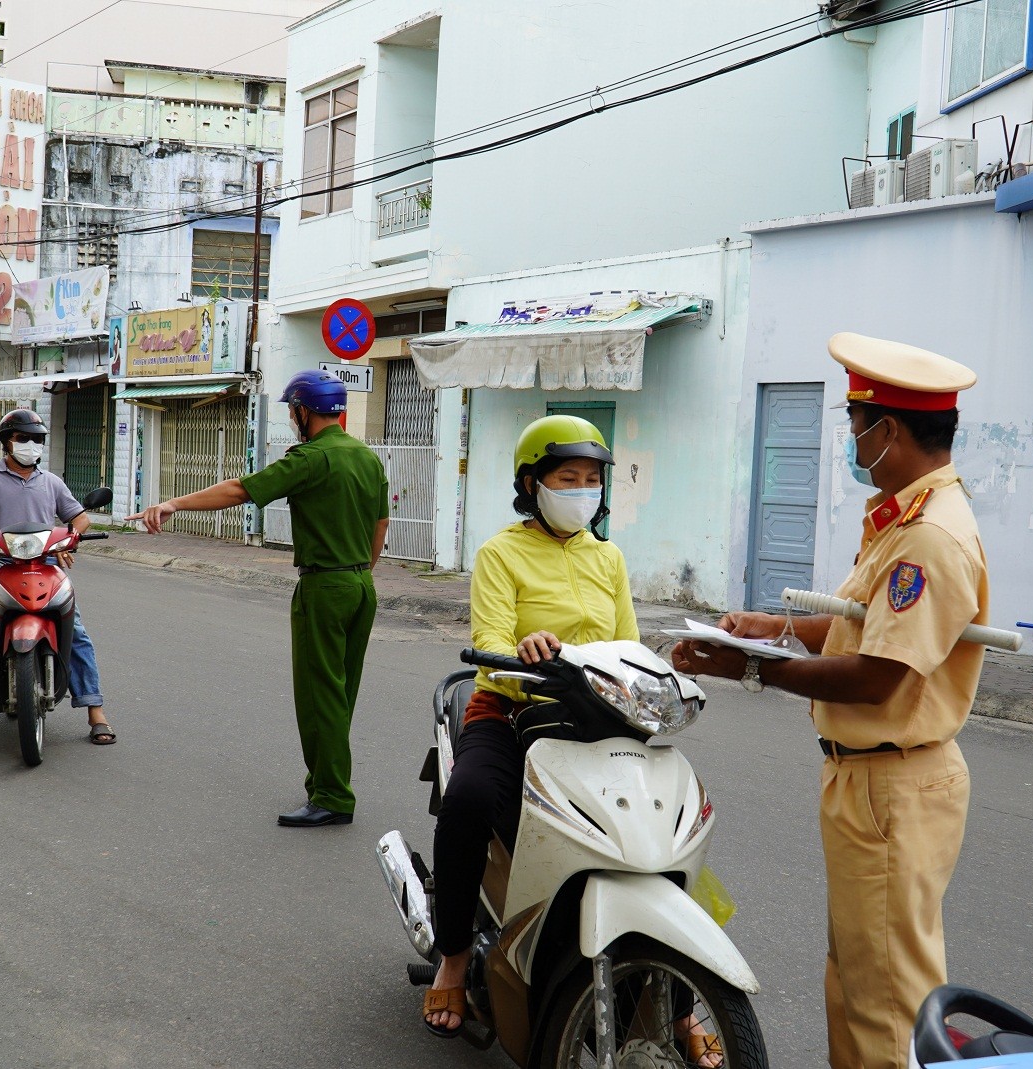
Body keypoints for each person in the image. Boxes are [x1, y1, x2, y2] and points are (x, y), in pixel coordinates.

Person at [671, 332, 987, 1069]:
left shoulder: (929, 538)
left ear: (892, 431)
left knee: (885, 1006)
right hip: (869, 777)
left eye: (857, 423)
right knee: (853, 981)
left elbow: (879, 674)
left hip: (892, 780)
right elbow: (860, 626)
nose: (850, 438)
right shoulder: (902, 517)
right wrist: (772, 628)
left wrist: (749, 667)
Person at [419, 415, 720, 1065]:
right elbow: (493, 646)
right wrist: (518, 652)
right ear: (532, 484)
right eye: (568, 478)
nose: (582, 490)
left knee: (663, 817)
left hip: (597, 715)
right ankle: (452, 957)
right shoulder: (500, 553)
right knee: (471, 798)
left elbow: (628, 646)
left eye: (592, 480)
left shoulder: (607, 555)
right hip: (511, 708)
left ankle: (683, 993)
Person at [127, 370, 387, 827]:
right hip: (361, 584)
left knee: (318, 693)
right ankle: (329, 783)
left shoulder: (311, 457)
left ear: (303, 411)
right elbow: (381, 524)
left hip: (325, 586)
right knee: (342, 691)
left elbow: (241, 490)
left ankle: (331, 795)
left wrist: (172, 504)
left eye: (293, 411)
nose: (292, 418)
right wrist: (362, 567)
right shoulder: (366, 457)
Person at [0, 409, 115, 744]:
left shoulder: (51, 482)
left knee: (75, 630)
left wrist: (71, 539)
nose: (31, 445)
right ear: (7, 442)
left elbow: (79, 519)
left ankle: (95, 710)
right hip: (0, 562)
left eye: (37, 439)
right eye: (23, 438)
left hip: (46, 564)